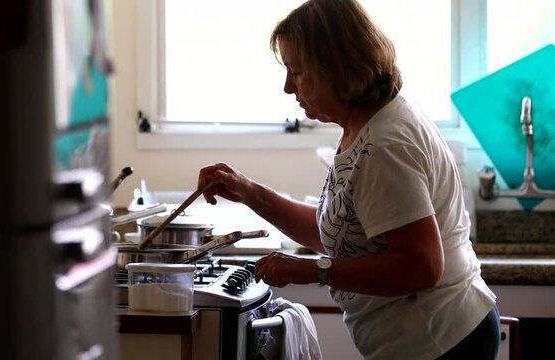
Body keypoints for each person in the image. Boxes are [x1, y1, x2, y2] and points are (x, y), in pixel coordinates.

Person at [197, 0, 499, 358]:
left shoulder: (385, 145)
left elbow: (422, 267)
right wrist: (249, 192)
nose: (287, 87)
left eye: (297, 71)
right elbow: (337, 237)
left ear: (335, 68)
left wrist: (313, 271)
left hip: (440, 339)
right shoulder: (365, 125)